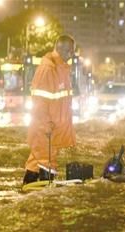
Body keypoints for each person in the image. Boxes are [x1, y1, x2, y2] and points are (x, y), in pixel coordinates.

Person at [23, 35, 76, 184]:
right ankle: (42, 194)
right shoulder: (49, 69)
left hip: (52, 128)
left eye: (72, 51)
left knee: (36, 161)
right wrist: (46, 125)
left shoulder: (61, 69)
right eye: (69, 51)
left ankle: (28, 188)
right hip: (46, 129)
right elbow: (39, 102)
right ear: (60, 49)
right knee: (47, 163)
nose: (71, 54)